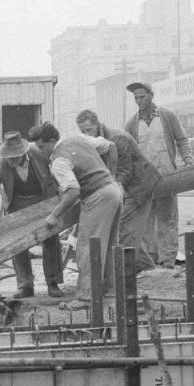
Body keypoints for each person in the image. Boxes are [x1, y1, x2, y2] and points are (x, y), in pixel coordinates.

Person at [29, 122, 123, 310]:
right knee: (109, 245)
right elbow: (110, 147)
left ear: (52, 141)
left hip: (97, 196)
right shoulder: (77, 139)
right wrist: (111, 176)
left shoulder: (58, 160)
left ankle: (85, 298)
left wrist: (54, 215)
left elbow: (73, 192)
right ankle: (110, 292)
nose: (40, 151)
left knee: (87, 247)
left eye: (42, 146)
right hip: (113, 191)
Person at [0, 131, 64, 298]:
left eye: (14, 157)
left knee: (51, 241)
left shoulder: (39, 155)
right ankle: (25, 286)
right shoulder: (2, 165)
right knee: (17, 245)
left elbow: (58, 173)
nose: (10, 161)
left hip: (42, 202)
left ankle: (53, 283)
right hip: (17, 205)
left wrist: (60, 197)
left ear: (23, 153)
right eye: (7, 157)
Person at [76, 109, 161, 272]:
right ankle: (148, 268)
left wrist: (110, 193)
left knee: (124, 229)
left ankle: (125, 273)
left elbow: (124, 172)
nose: (87, 134)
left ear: (98, 124)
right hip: (125, 186)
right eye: (83, 131)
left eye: (89, 129)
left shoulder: (117, 139)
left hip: (138, 187)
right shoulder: (96, 142)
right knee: (127, 229)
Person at [124, 82, 194, 267]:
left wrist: (189, 160)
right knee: (146, 222)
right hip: (144, 182)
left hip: (167, 178)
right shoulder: (131, 124)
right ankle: (151, 261)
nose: (139, 101)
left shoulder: (167, 116)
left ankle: (168, 261)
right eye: (136, 98)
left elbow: (182, 140)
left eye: (143, 96)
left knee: (168, 219)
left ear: (152, 95)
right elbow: (127, 152)